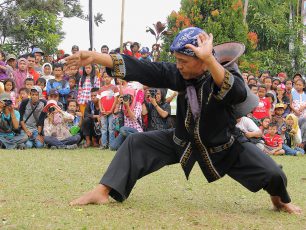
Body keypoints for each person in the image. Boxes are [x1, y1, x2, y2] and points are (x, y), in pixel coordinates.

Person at [66, 27, 301, 214]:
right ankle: (101, 191)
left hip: (225, 145)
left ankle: (279, 201)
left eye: (184, 61)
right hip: (183, 141)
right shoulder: (179, 75)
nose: (179, 66)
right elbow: (143, 68)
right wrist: (95, 57)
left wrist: (209, 60)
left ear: (202, 60)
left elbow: (237, 92)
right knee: (135, 144)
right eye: (176, 60)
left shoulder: (224, 75)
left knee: (275, 174)